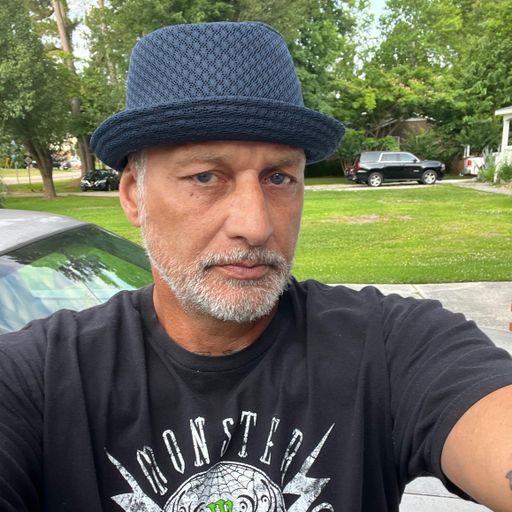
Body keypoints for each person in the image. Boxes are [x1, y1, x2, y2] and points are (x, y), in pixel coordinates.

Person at [1, 21, 512, 512]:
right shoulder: (35, 379)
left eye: (279, 178)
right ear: (134, 196)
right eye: (206, 176)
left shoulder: (392, 346)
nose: (256, 225)